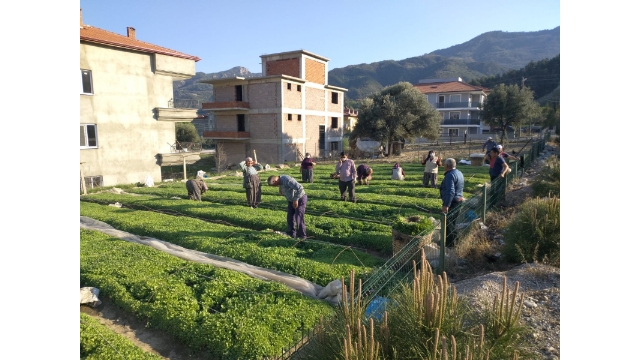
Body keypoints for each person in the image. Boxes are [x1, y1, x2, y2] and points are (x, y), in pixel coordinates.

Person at [267, 175, 307, 239]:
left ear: (274, 181)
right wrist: (280, 189)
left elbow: (300, 188)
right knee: (290, 218)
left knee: (298, 218)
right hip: (291, 200)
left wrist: (295, 200)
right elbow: (281, 185)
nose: (275, 186)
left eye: (274, 185)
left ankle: (302, 236)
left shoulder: (287, 180)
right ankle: (292, 233)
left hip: (299, 199)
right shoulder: (279, 181)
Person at [439, 158, 464, 247]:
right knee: (452, 222)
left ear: (446, 166)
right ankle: (454, 242)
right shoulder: (459, 172)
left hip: (452, 202)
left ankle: (450, 244)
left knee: (448, 223)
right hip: (459, 200)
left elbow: (451, 191)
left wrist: (446, 205)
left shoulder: (450, 175)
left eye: (444, 165)